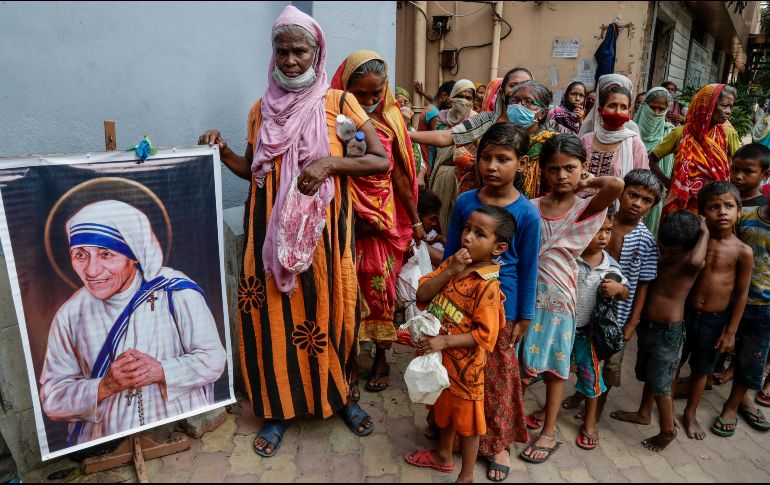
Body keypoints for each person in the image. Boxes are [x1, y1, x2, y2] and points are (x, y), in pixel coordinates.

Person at [198, 6, 390, 456]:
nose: (289, 60)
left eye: (299, 51)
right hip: (267, 235)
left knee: (332, 311)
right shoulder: (261, 109)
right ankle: (280, 409)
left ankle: (339, 397)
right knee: (275, 319)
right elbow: (254, 170)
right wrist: (224, 150)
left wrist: (328, 163)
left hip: (325, 234)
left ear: (317, 52)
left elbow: (380, 159)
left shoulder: (340, 103)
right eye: (281, 51)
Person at [39, 200, 227, 445]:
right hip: (106, 442)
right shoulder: (70, 315)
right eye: (80, 255)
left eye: (106, 253)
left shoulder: (175, 292)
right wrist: (105, 386)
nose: (92, 270)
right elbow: (52, 399)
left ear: (134, 256)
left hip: (176, 428)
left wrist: (159, 370)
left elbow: (214, 359)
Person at [519, 134, 624, 464]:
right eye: (554, 169)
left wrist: (589, 181)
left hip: (560, 302)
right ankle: (510, 421)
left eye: (570, 168)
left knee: (555, 370)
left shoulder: (586, 207)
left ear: (582, 169)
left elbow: (616, 185)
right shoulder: (531, 208)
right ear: (543, 171)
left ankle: (548, 432)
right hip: (527, 299)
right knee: (518, 365)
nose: (562, 175)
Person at [441, 123, 537, 481]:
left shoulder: (527, 213)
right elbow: (452, 252)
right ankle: (456, 429)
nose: (491, 166)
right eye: (485, 158)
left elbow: (529, 267)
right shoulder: (467, 202)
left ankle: (498, 442)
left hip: (502, 309)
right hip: (460, 303)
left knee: (497, 378)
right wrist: (441, 295)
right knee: (459, 371)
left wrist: (524, 316)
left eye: (503, 159)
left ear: (521, 163)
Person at [330, 50, 422, 395]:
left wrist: (414, 223)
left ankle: (381, 359)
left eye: (376, 93)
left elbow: (400, 176)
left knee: (380, 293)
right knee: (346, 292)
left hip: (381, 222)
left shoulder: (391, 120)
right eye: (361, 94)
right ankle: (348, 361)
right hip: (345, 219)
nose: (369, 101)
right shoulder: (331, 120)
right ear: (343, 89)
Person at [404, 206, 511, 483]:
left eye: (479, 234)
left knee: (468, 425)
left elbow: (486, 335)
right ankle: (442, 456)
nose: (467, 237)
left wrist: (444, 341)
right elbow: (422, 294)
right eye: (467, 229)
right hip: (444, 364)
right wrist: (450, 269)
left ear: (498, 247)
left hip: (466, 371)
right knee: (445, 411)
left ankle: (466, 477)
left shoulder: (486, 285)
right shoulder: (455, 264)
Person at [562, 170, 662, 420]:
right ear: (622, 193)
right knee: (582, 357)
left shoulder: (646, 241)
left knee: (609, 365)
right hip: (585, 309)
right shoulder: (600, 223)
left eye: (646, 200)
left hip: (617, 318)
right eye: (633, 195)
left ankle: (596, 409)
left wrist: (632, 323)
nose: (637, 203)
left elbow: (644, 285)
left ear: (652, 207)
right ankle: (582, 392)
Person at [612, 210, 709, 452]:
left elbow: (698, 261)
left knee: (661, 384)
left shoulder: (690, 263)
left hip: (669, 332)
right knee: (649, 376)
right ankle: (644, 414)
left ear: (689, 246)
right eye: (662, 247)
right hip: (649, 327)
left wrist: (705, 230)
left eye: (672, 251)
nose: (665, 254)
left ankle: (667, 430)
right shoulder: (661, 255)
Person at [676, 182, 753, 440]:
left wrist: (730, 331)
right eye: (714, 207)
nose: (722, 212)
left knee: (701, 369)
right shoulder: (696, 241)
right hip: (683, 312)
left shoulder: (743, 251)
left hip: (714, 319)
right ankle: (661, 405)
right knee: (674, 361)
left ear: (739, 211)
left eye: (729, 206)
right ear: (702, 211)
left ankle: (690, 412)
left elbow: (741, 294)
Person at [711, 194, 770, 437]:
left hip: (765, 307)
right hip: (729, 298)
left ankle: (733, 404)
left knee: (752, 358)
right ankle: (703, 383)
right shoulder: (744, 217)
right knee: (715, 344)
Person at [573, 207, 628, 451]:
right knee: (554, 373)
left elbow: (625, 291)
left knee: (590, 377)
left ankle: (589, 423)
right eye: (597, 230)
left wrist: (618, 290)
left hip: (589, 333)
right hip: (562, 328)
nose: (604, 236)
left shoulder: (611, 266)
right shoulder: (570, 258)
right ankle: (546, 411)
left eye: (608, 230)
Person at [651, 84, 739, 216]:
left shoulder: (727, 134)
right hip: (682, 206)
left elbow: (738, 163)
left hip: (716, 206)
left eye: (730, 107)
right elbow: (650, 159)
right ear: (708, 105)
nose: (728, 111)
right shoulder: (680, 133)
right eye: (724, 105)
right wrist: (670, 184)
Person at [430, 79, 479, 232]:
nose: (464, 101)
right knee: (438, 217)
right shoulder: (441, 118)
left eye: (469, 98)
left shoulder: (476, 121)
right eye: (460, 96)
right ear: (452, 97)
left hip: (463, 180)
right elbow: (433, 147)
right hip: (440, 175)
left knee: (456, 220)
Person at [581, 78, 649, 182]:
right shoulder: (586, 140)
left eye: (623, 107)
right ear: (600, 110)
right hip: (581, 198)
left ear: (629, 113)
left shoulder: (635, 144)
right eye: (612, 106)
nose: (617, 112)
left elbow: (642, 182)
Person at [507, 80, 559, 199]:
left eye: (528, 101)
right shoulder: (504, 139)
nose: (519, 105)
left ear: (542, 113)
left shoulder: (552, 143)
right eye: (515, 100)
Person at [635, 87, 675, 235]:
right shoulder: (631, 131)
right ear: (644, 106)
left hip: (657, 195)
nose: (656, 113)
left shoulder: (669, 133)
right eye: (652, 108)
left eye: (661, 109)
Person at [416, 80, 456, 169]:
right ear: (444, 95)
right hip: (428, 164)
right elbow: (440, 142)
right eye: (452, 99)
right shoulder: (434, 114)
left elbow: (433, 99)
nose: (454, 104)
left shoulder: (431, 108)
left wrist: (423, 93)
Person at [395, 86, 426, 187]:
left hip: (413, 183)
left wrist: (420, 177)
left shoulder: (412, 130)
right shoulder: (389, 128)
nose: (403, 104)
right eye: (399, 101)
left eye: (406, 101)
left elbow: (421, 160)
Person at [731, 143, 770, 208]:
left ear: (765, 174)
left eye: (748, 171)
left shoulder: (765, 208)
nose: (738, 176)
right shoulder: (721, 200)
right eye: (735, 169)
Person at [417, 188, 446, 267]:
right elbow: (442, 259)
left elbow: (439, 238)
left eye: (436, 219)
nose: (435, 223)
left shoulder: (430, 230)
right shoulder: (412, 236)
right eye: (431, 219)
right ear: (418, 217)